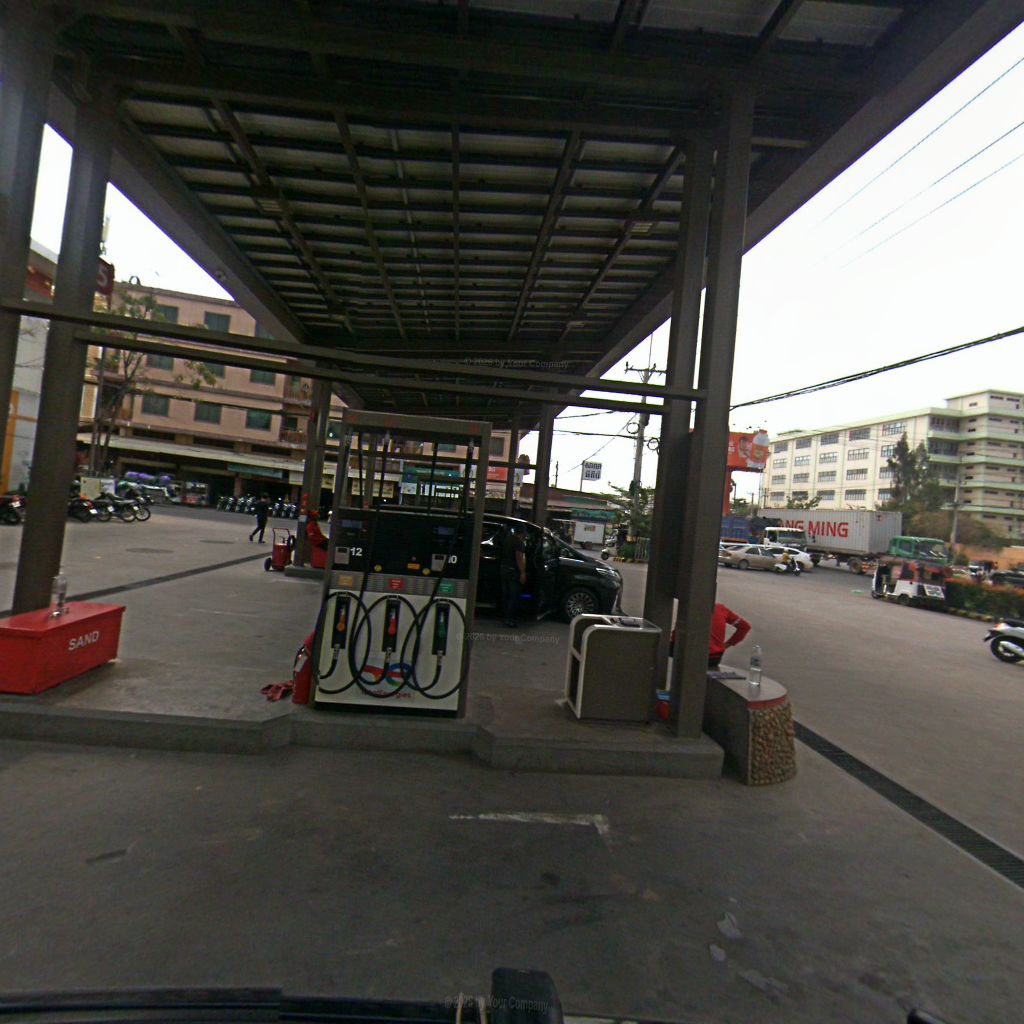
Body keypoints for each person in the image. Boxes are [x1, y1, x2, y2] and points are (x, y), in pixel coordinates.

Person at [499, 524, 527, 628]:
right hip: (512, 571)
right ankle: (509, 619)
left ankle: (504, 616)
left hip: (503, 569)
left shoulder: (508, 539)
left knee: (505, 595)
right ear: (522, 533)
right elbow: (519, 558)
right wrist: (523, 572)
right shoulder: (519, 542)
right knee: (513, 596)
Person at [708, 602, 751, 668]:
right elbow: (744, 627)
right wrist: (726, 644)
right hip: (714, 656)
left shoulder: (691, 609)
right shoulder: (720, 609)